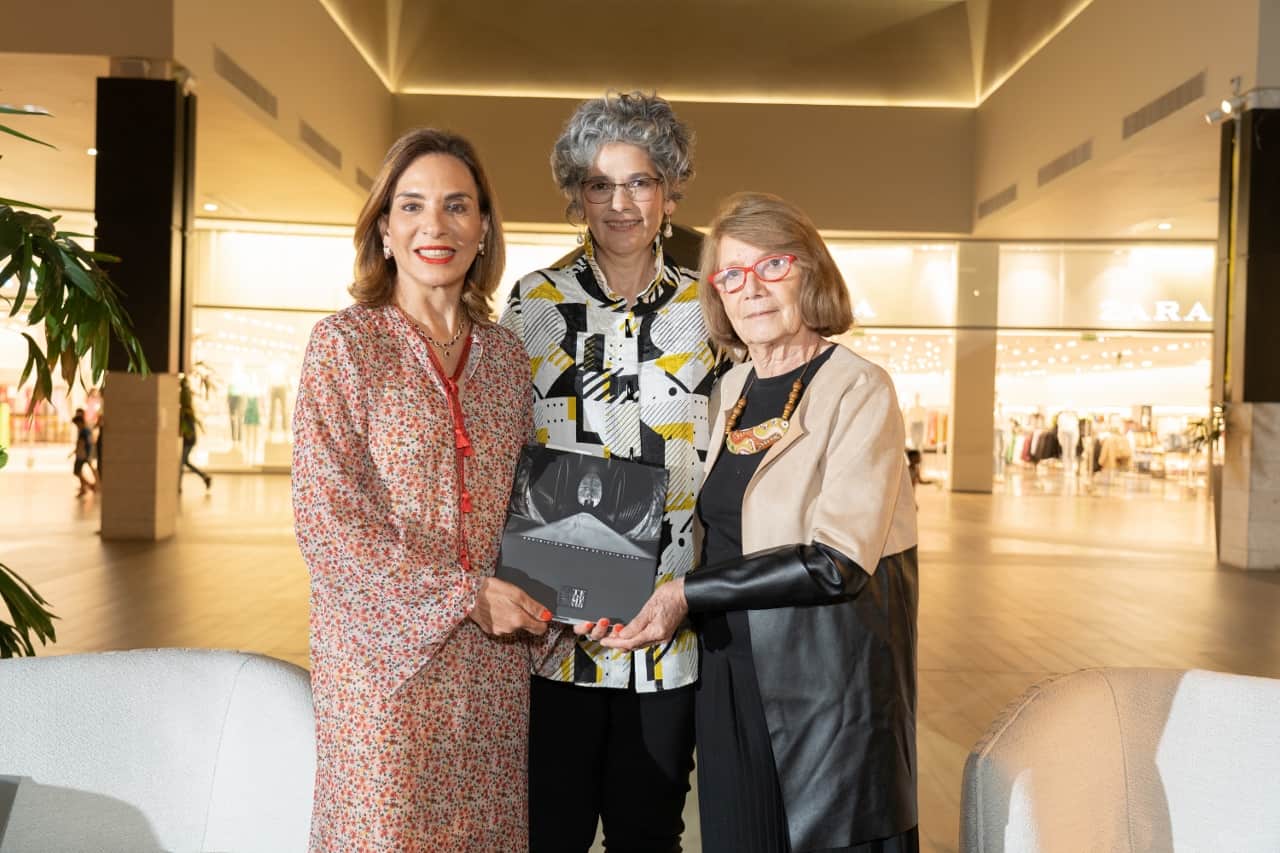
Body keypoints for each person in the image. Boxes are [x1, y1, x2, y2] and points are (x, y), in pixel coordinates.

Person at [605, 192, 921, 853]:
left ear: (810, 271)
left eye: (771, 266)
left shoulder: (859, 388)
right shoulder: (732, 389)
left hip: (823, 696)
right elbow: (713, 531)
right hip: (728, 675)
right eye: (731, 273)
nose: (750, 289)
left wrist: (683, 596)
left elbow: (837, 560)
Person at [292, 128, 553, 851]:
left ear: (484, 228)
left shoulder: (505, 358)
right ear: (383, 228)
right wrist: (461, 595)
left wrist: (570, 593)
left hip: (492, 677)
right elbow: (327, 522)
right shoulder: (344, 345)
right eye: (411, 206)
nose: (434, 225)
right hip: (384, 675)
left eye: (456, 206)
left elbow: (523, 510)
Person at [502, 91, 723, 852]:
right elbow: (507, 448)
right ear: (577, 196)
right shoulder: (536, 302)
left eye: (639, 182)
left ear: (668, 190)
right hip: (554, 629)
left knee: (648, 830)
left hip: (667, 629)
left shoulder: (710, 310)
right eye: (600, 185)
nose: (621, 203)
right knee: (550, 829)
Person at [178, 375, 212, 491]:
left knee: (182, 462)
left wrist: (185, 435)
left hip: (189, 439)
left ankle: (179, 485)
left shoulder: (186, 413)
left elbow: (187, 429)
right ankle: (204, 477)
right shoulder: (187, 412)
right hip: (189, 439)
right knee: (184, 462)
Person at [70, 409, 98, 496]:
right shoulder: (86, 430)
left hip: (82, 455)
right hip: (85, 454)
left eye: (77, 424)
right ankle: (84, 488)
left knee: (77, 472)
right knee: (79, 471)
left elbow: (81, 444)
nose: (76, 426)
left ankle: (90, 485)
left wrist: (75, 451)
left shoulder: (83, 431)